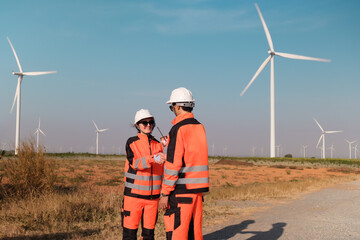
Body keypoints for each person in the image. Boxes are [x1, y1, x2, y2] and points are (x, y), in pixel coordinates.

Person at [159, 87, 209, 240]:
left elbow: (173, 165)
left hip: (181, 192)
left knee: (178, 233)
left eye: (171, 107)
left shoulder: (178, 129)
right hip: (197, 192)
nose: (172, 110)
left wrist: (165, 193)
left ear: (178, 106)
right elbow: (192, 155)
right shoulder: (200, 127)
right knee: (194, 233)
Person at [122, 109, 166, 240]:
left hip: (152, 200)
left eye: (150, 122)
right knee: (129, 235)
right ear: (137, 125)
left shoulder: (158, 144)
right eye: (144, 123)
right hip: (133, 198)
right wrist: (153, 158)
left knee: (148, 235)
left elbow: (163, 171)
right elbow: (135, 164)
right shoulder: (131, 142)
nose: (148, 125)